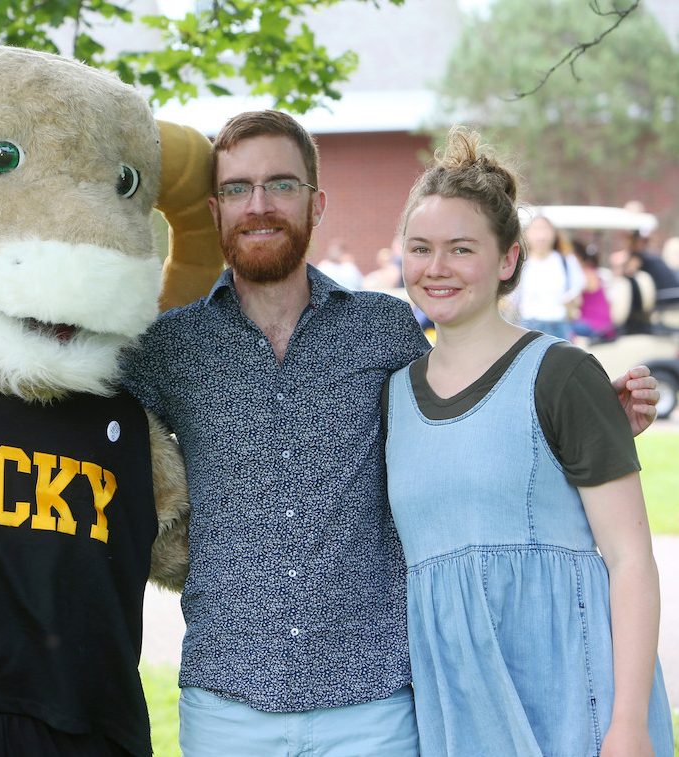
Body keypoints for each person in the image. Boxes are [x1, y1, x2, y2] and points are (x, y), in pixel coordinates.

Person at [120, 110, 660, 756]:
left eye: (282, 184)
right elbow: (85, 422)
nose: (259, 205)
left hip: (373, 705)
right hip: (226, 700)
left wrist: (586, 420)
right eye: (238, 188)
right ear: (215, 210)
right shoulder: (172, 347)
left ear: (317, 203)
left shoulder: (384, 330)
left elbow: (469, 417)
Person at [386, 127, 672, 755]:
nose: (436, 268)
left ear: (508, 260)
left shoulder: (562, 374)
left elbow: (630, 560)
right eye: (420, 248)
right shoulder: (394, 395)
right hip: (462, 709)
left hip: (575, 696)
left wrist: (627, 724)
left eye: (462, 249)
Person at [510, 214, 580, 339]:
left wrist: (568, 302)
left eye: (545, 229)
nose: (541, 236)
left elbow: (576, 287)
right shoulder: (521, 262)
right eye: (536, 229)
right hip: (528, 325)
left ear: (554, 233)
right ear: (527, 234)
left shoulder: (565, 260)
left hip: (558, 325)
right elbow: (512, 295)